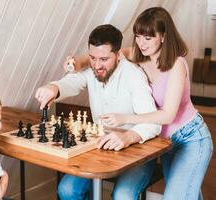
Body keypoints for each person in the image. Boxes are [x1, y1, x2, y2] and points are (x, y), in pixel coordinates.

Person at [67, 7, 213, 200]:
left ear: (163, 36)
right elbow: (107, 53)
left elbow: (168, 115)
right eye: (137, 36)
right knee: (186, 194)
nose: (141, 43)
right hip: (164, 141)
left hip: (190, 138)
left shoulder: (177, 65)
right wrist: (78, 62)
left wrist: (125, 118)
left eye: (148, 38)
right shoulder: (137, 55)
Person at [35, 24, 161, 200]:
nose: (96, 65)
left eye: (103, 59)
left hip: (138, 150)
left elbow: (153, 123)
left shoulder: (134, 75)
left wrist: (126, 138)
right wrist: (53, 87)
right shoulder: (92, 70)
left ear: (118, 55)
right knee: (67, 190)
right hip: (100, 148)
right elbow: (72, 82)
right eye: (92, 58)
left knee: (123, 196)